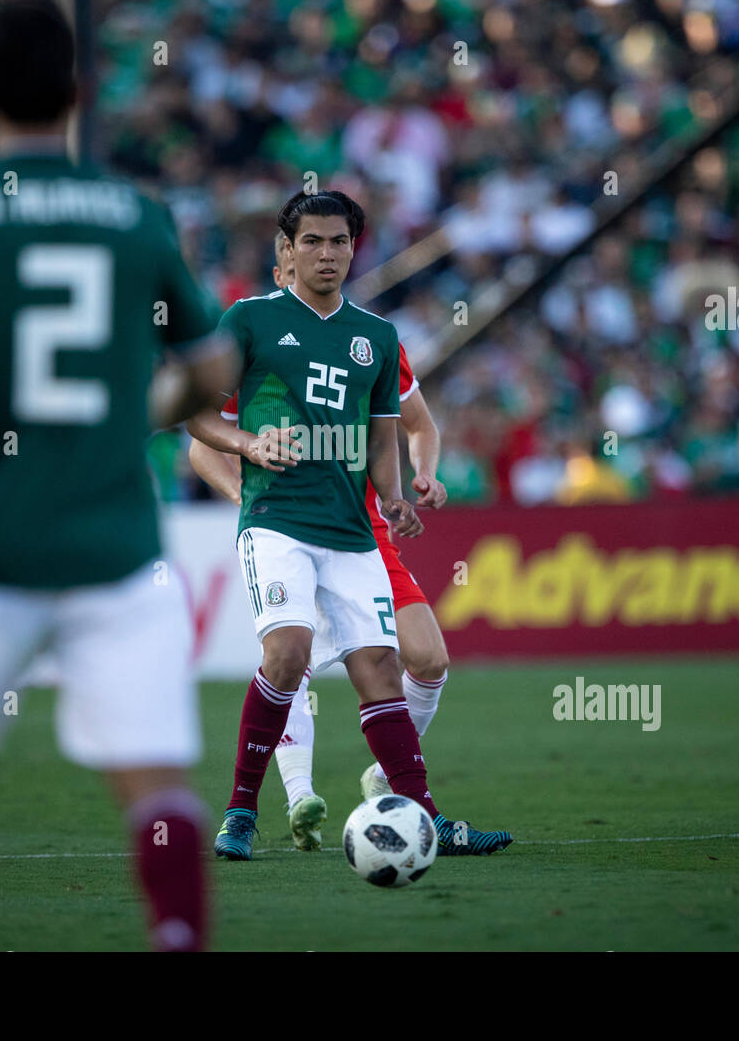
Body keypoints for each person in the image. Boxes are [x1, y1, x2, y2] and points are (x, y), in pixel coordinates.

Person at [0, 0, 236, 951]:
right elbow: (212, 367)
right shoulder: (136, 214)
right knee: (154, 784)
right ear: (77, 91)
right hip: (116, 540)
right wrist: (130, 418)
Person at [188, 189, 511, 860]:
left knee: (383, 672)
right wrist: (250, 447)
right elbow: (193, 419)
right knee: (288, 652)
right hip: (277, 521)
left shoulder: (377, 337)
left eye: (338, 241)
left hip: (353, 533)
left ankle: (420, 816)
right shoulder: (248, 322)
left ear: (354, 247)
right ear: (287, 250)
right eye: (312, 241)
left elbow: (385, 439)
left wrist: (395, 499)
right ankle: (241, 811)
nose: (326, 253)